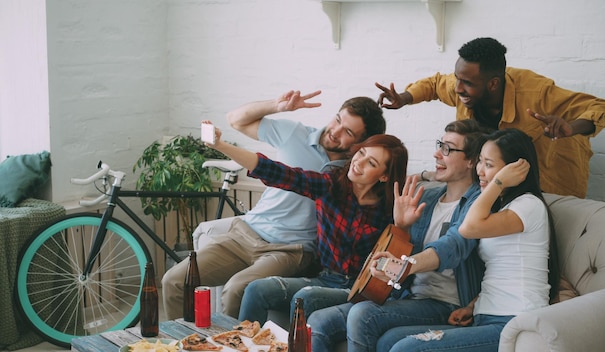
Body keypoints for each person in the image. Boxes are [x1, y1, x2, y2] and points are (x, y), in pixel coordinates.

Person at [162, 90, 386, 319]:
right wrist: (276, 106)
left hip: (290, 250)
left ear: (362, 143)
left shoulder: (351, 175)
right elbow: (237, 121)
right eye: (338, 120)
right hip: (246, 234)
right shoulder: (295, 133)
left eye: (348, 132)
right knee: (175, 280)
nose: (335, 131)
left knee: (236, 289)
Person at [308, 119, 487, 352]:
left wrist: (403, 266)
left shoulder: (478, 203)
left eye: (447, 149)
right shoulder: (427, 199)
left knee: (364, 315)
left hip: (446, 303)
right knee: (318, 321)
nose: (436, 154)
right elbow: (394, 263)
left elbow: (452, 247)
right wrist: (401, 227)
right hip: (408, 294)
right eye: (438, 145)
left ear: (471, 161)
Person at [207, 126, 408, 326]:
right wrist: (221, 145)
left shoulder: (390, 208)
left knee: (306, 297)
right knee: (255, 289)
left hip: (358, 288)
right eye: (361, 152)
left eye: (371, 163)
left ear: (384, 176)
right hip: (324, 278)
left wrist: (401, 225)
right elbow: (280, 173)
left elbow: (395, 268)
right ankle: (243, 346)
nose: (358, 162)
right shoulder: (331, 185)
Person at [384, 128, 560, 352]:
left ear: (514, 170)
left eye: (489, 164)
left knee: (407, 349)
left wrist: (497, 183)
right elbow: (501, 270)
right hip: (484, 315)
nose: (480, 171)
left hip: (515, 322)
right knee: (388, 341)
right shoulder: (500, 209)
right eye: (480, 162)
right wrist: (472, 306)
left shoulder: (528, 205)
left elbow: (468, 228)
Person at [376, 37, 605, 198]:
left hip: (553, 178)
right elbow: (435, 84)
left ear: (493, 84)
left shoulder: (537, 92)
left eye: (467, 83)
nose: (458, 88)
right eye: (457, 79)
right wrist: (404, 98)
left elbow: (602, 107)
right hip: (502, 183)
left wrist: (571, 127)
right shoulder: (462, 85)